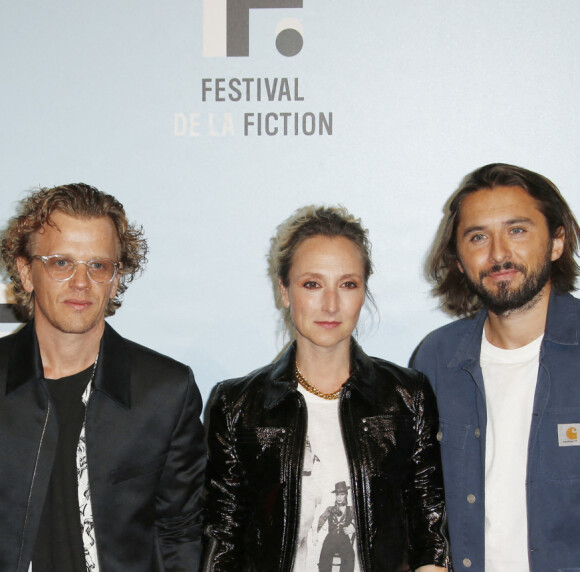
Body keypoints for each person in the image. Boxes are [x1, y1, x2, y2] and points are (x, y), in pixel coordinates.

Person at [203, 206, 448, 572]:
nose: (331, 304)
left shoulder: (407, 395)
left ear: (363, 292)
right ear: (285, 291)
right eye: (312, 284)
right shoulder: (237, 405)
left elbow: (430, 524)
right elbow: (222, 536)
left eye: (347, 284)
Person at [0, 183, 205, 571]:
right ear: (27, 272)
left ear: (115, 278)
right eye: (61, 263)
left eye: (98, 265)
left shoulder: (165, 391)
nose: (81, 282)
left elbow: (182, 534)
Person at [411, 163, 580, 572]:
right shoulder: (435, 359)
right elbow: (414, 498)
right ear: (458, 258)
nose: (498, 253)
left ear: (557, 242)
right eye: (478, 237)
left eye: (517, 230)